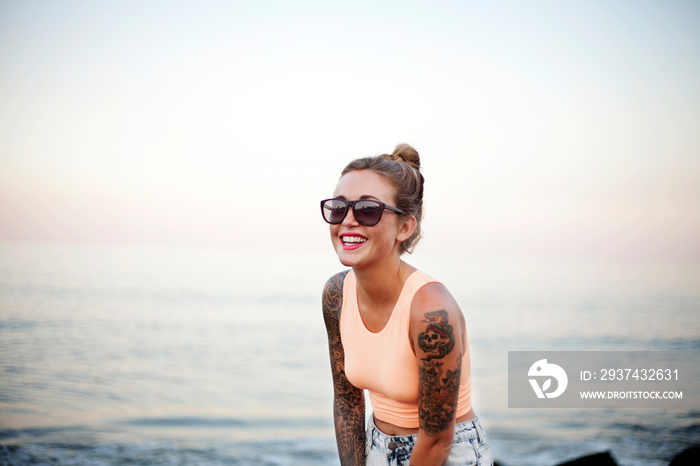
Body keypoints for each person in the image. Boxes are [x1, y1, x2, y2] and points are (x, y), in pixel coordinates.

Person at [321, 144, 493, 465]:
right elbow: (347, 402)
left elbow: (438, 440)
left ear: (405, 227)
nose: (347, 221)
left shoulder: (430, 311)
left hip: (446, 454)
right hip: (376, 446)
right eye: (338, 208)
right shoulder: (336, 294)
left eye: (367, 210)